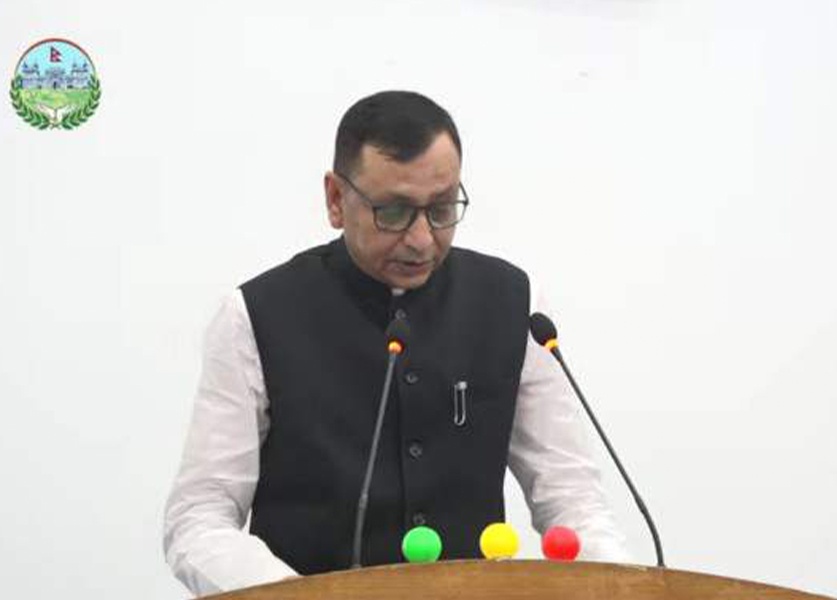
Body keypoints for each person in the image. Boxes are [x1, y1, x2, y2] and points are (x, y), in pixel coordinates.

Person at [163, 90, 629, 596]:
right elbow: (199, 519)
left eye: (443, 208)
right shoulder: (253, 315)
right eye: (394, 212)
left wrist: (622, 585)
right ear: (336, 200)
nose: (422, 239)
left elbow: (571, 495)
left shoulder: (515, 303)